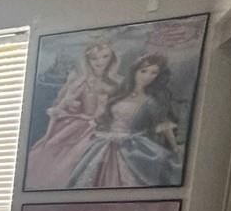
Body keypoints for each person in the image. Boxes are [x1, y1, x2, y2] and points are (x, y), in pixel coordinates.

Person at [66, 54, 182, 188]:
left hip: (132, 145)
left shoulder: (152, 101)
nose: (147, 76)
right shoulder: (119, 93)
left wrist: (174, 146)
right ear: (135, 71)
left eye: (153, 73)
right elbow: (103, 115)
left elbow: (162, 123)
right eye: (143, 71)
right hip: (105, 142)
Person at [24, 41, 117, 188]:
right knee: (60, 154)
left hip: (104, 127)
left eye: (105, 57)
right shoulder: (80, 81)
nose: (100, 62)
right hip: (80, 124)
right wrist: (68, 104)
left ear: (111, 58)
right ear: (87, 60)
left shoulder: (116, 83)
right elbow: (62, 104)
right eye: (94, 58)